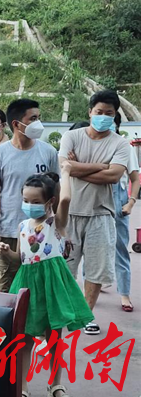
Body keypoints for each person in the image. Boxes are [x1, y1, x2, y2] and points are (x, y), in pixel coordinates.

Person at [0, 169, 93, 397]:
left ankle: (55, 385)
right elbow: (21, 258)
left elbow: (66, 198)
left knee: (54, 339)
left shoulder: (56, 223)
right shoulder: (22, 226)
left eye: (35, 201)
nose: (29, 205)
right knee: (25, 340)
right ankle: (22, 389)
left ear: (50, 202)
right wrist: (6, 253)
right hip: (28, 285)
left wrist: (66, 171)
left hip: (51, 286)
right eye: (26, 200)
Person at [59, 90, 132, 335]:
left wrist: (76, 167)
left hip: (101, 214)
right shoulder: (72, 136)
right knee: (64, 268)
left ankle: (86, 315)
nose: (103, 117)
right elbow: (63, 165)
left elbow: (114, 176)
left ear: (114, 115)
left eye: (108, 113)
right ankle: (64, 311)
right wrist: (101, 166)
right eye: (99, 112)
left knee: (96, 270)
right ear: (90, 112)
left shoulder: (120, 143)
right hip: (68, 213)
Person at [0, 99, 59, 293]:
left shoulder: (49, 152)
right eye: (32, 119)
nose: (38, 123)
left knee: (40, 290)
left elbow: (56, 194)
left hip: (41, 232)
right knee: (6, 290)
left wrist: (59, 229)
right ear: (16, 124)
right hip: (9, 233)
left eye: (39, 118)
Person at [111, 113, 139, 312]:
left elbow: (135, 179)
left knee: (120, 249)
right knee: (91, 251)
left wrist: (130, 203)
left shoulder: (124, 147)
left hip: (118, 204)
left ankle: (124, 293)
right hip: (94, 205)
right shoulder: (89, 144)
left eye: (109, 116)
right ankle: (89, 291)